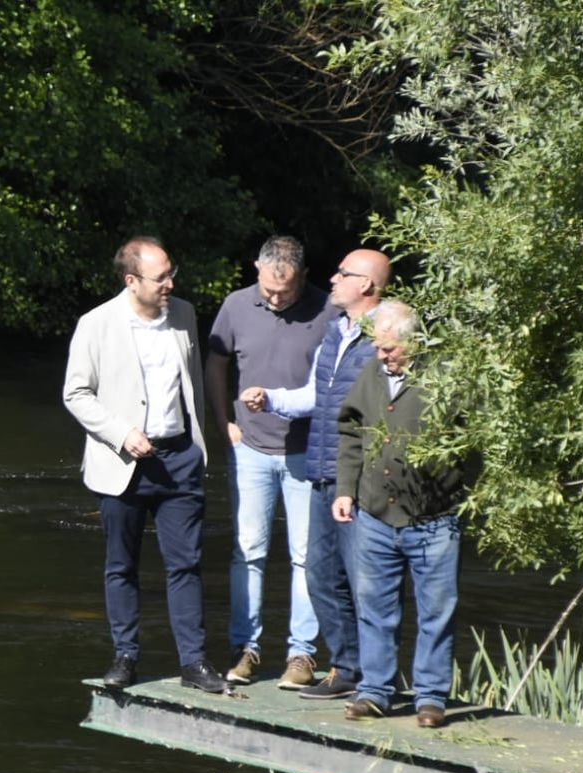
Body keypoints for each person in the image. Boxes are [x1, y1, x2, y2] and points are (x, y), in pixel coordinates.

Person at [63, 236, 223, 693]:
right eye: (161, 277)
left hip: (179, 459)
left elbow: (191, 384)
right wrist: (121, 433)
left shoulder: (185, 315)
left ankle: (194, 663)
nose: (170, 283)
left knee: (186, 564)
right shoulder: (96, 324)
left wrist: (196, 445)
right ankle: (126, 657)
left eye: (172, 273)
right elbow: (75, 394)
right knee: (121, 566)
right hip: (122, 460)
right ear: (131, 281)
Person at [239, 248, 390, 700]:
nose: (333, 278)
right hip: (324, 470)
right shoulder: (335, 331)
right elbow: (315, 397)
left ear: (366, 285)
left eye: (343, 273)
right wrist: (272, 399)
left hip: (364, 481)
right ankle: (347, 669)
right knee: (322, 576)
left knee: (367, 582)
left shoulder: (387, 335)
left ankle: (376, 679)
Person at [205, 236, 331, 689]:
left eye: (286, 291)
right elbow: (216, 363)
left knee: (305, 557)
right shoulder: (237, 305)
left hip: (305, 451)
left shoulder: (328, 309)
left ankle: (301, 655)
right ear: (256, 269)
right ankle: (247, 649)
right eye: (269, 291)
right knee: (248, 551)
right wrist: (224, 423)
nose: (276, 299)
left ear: (304, 276)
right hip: (250, 448)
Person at [333, 302, 467, 727]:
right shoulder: (374, 373)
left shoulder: (447, 373)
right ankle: (375, 692)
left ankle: (430, 698)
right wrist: (345, 489)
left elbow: (476, 440)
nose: (382, 356)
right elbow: (352, 430)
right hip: (374, 514)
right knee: (374, 608)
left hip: (435, 518)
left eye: (390, 349)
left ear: (413, 341)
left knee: (437, 611)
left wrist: (463, 494)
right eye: (378, 347)